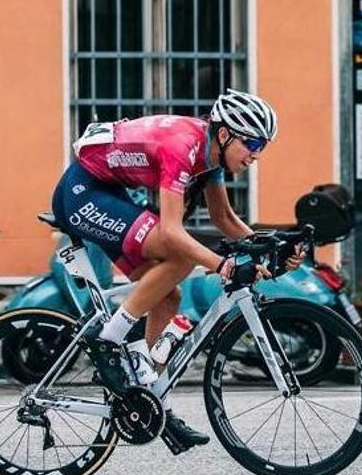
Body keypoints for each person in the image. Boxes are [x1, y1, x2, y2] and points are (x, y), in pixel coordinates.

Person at [50, 89, 302, 451]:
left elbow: (225, 219)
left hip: (109, 192)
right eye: (253, 143)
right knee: (181, 256)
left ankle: (151, 403)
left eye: (262, 145)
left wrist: (271, 246)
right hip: (82, 192)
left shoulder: (210, 154)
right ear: (226, 134)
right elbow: (171, 231)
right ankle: (108, 337)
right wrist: (222, 265)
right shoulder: (183, 146)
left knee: (169, 295)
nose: (256, 154)